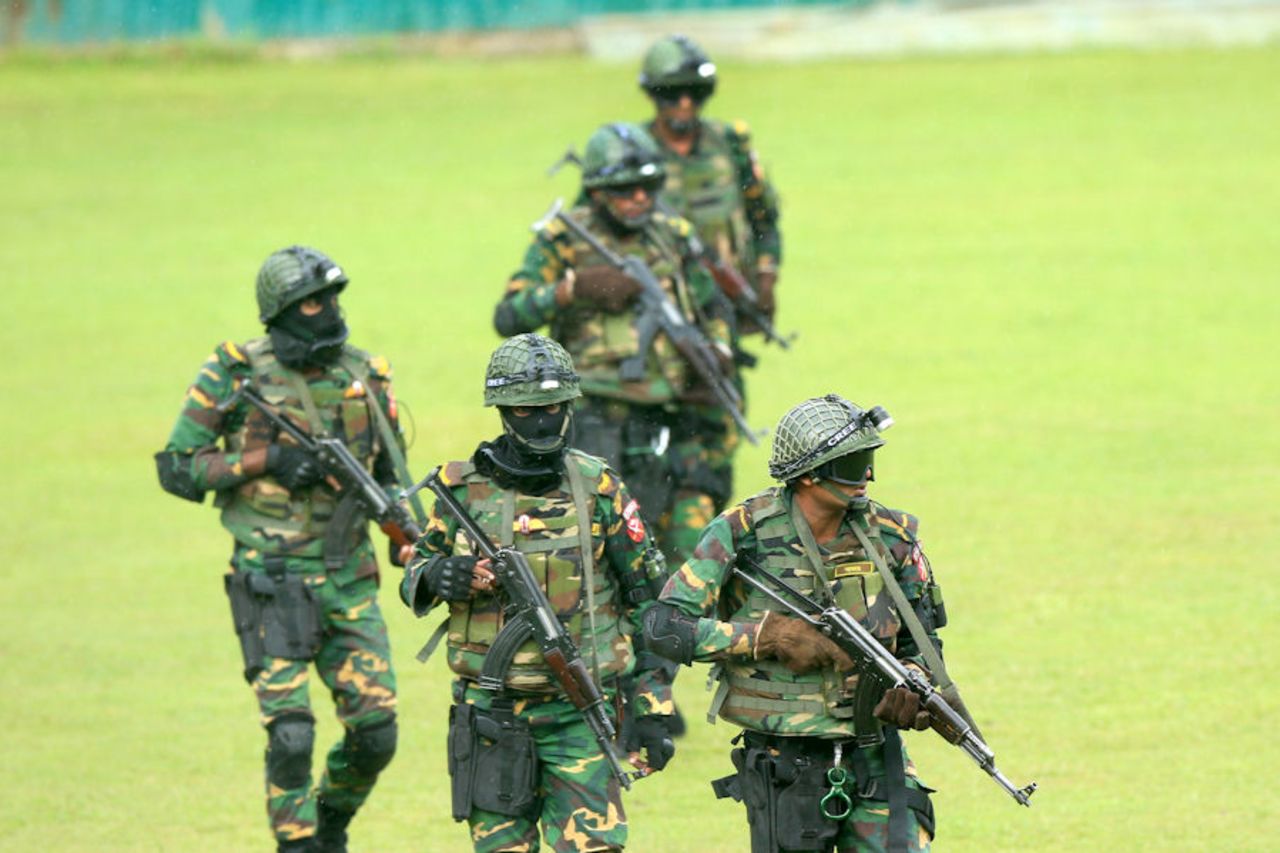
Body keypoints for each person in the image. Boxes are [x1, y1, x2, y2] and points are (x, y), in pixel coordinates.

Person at [155, 245, 410, 853]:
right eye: (311, 303)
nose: (327, 313)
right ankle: (296, 844)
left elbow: (393, 473)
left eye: (332, 299)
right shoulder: (234, 372)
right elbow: (178, 468)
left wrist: (412, 541)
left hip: (350, 577)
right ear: (281, 311)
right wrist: (266, 459)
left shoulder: (366, 375)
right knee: (291, 737)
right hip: (271, 582)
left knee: (376, 735)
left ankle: (330, 822)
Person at [401, 333, 675, 853]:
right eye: (527, 410)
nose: (543, 420)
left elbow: (653, 609)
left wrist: (653, 709)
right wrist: (441, 576)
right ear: (504, 411)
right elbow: (414, 572)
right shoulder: (460, 491)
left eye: (553, 407)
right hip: (491, 718)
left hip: (582, 715)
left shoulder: (599, 489)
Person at [644, 394, 949, 852]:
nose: (866, 477)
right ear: (808, 474)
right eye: (851, 465)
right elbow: (664, 626)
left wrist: (916, 681)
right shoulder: (742, 531)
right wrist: (764, 637)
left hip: (876, 753)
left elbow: (924, 642)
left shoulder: (894, 536)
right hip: (786, 761)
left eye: (868, 461)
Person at [493, 121, 736, 566]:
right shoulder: (563, 238)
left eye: (647, 187)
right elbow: (510, 315)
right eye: (625, 190)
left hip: (676, 423)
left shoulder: (671, 234)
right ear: (599, 192)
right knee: (602, 556)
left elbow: (714, 306)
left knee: (687, 557)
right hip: (597, 421)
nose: (639, 199)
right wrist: (572, 289)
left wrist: (716, 353)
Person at [639, 34, 783, 337]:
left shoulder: (730, 144)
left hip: (723, 307)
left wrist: (765, 278)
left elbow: (764, 220)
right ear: (654, 94)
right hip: (652, 310)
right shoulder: (631, 153)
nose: (685, 104)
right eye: (673, 94)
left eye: (695, 93)